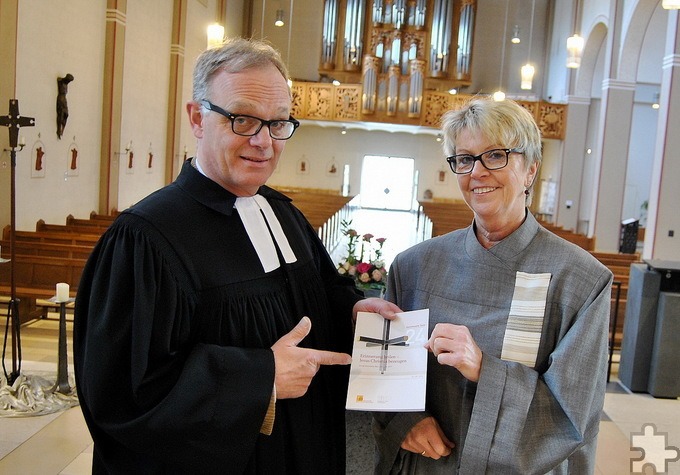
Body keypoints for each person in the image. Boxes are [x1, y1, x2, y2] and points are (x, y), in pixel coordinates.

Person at [74, 37, 398, 474]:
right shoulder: (145, 238)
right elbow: (121, 394)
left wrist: (354, 310)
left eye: (279, 123)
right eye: (243, 119)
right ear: (197, 118)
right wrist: (258, 379)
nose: (264, 141)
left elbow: (320, 292)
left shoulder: (280, 213)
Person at [373, 96, 613, 474]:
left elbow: (573, 414)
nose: (477, 172)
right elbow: (385, 370)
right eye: (465, 159)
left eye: (496, 155)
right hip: (426, 464)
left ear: (531, 170)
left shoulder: (580, 280)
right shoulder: (414, 266)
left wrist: (485, 367)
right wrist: (406, 421)